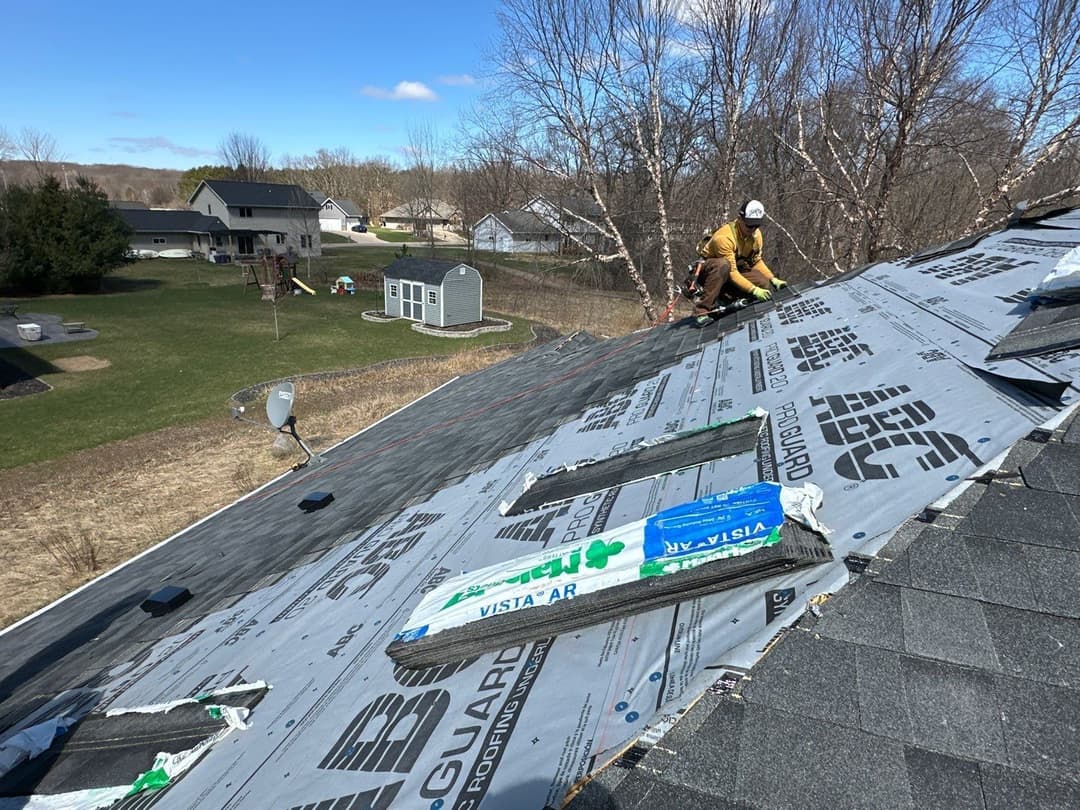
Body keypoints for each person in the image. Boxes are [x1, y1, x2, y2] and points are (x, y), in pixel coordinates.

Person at [690, 199, 787, 325]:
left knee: (763, 283)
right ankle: (702, 311)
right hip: (710, 273)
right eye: (749, 225)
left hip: (733, 270)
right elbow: (732, 272)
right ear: (740, 219)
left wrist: (773, 279)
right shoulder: (724, 238)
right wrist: (753, 290)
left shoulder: (756, 236)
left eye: (756, 225)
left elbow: (756, 261)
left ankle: (730, 300)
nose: (752, 229)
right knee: (722, 265)